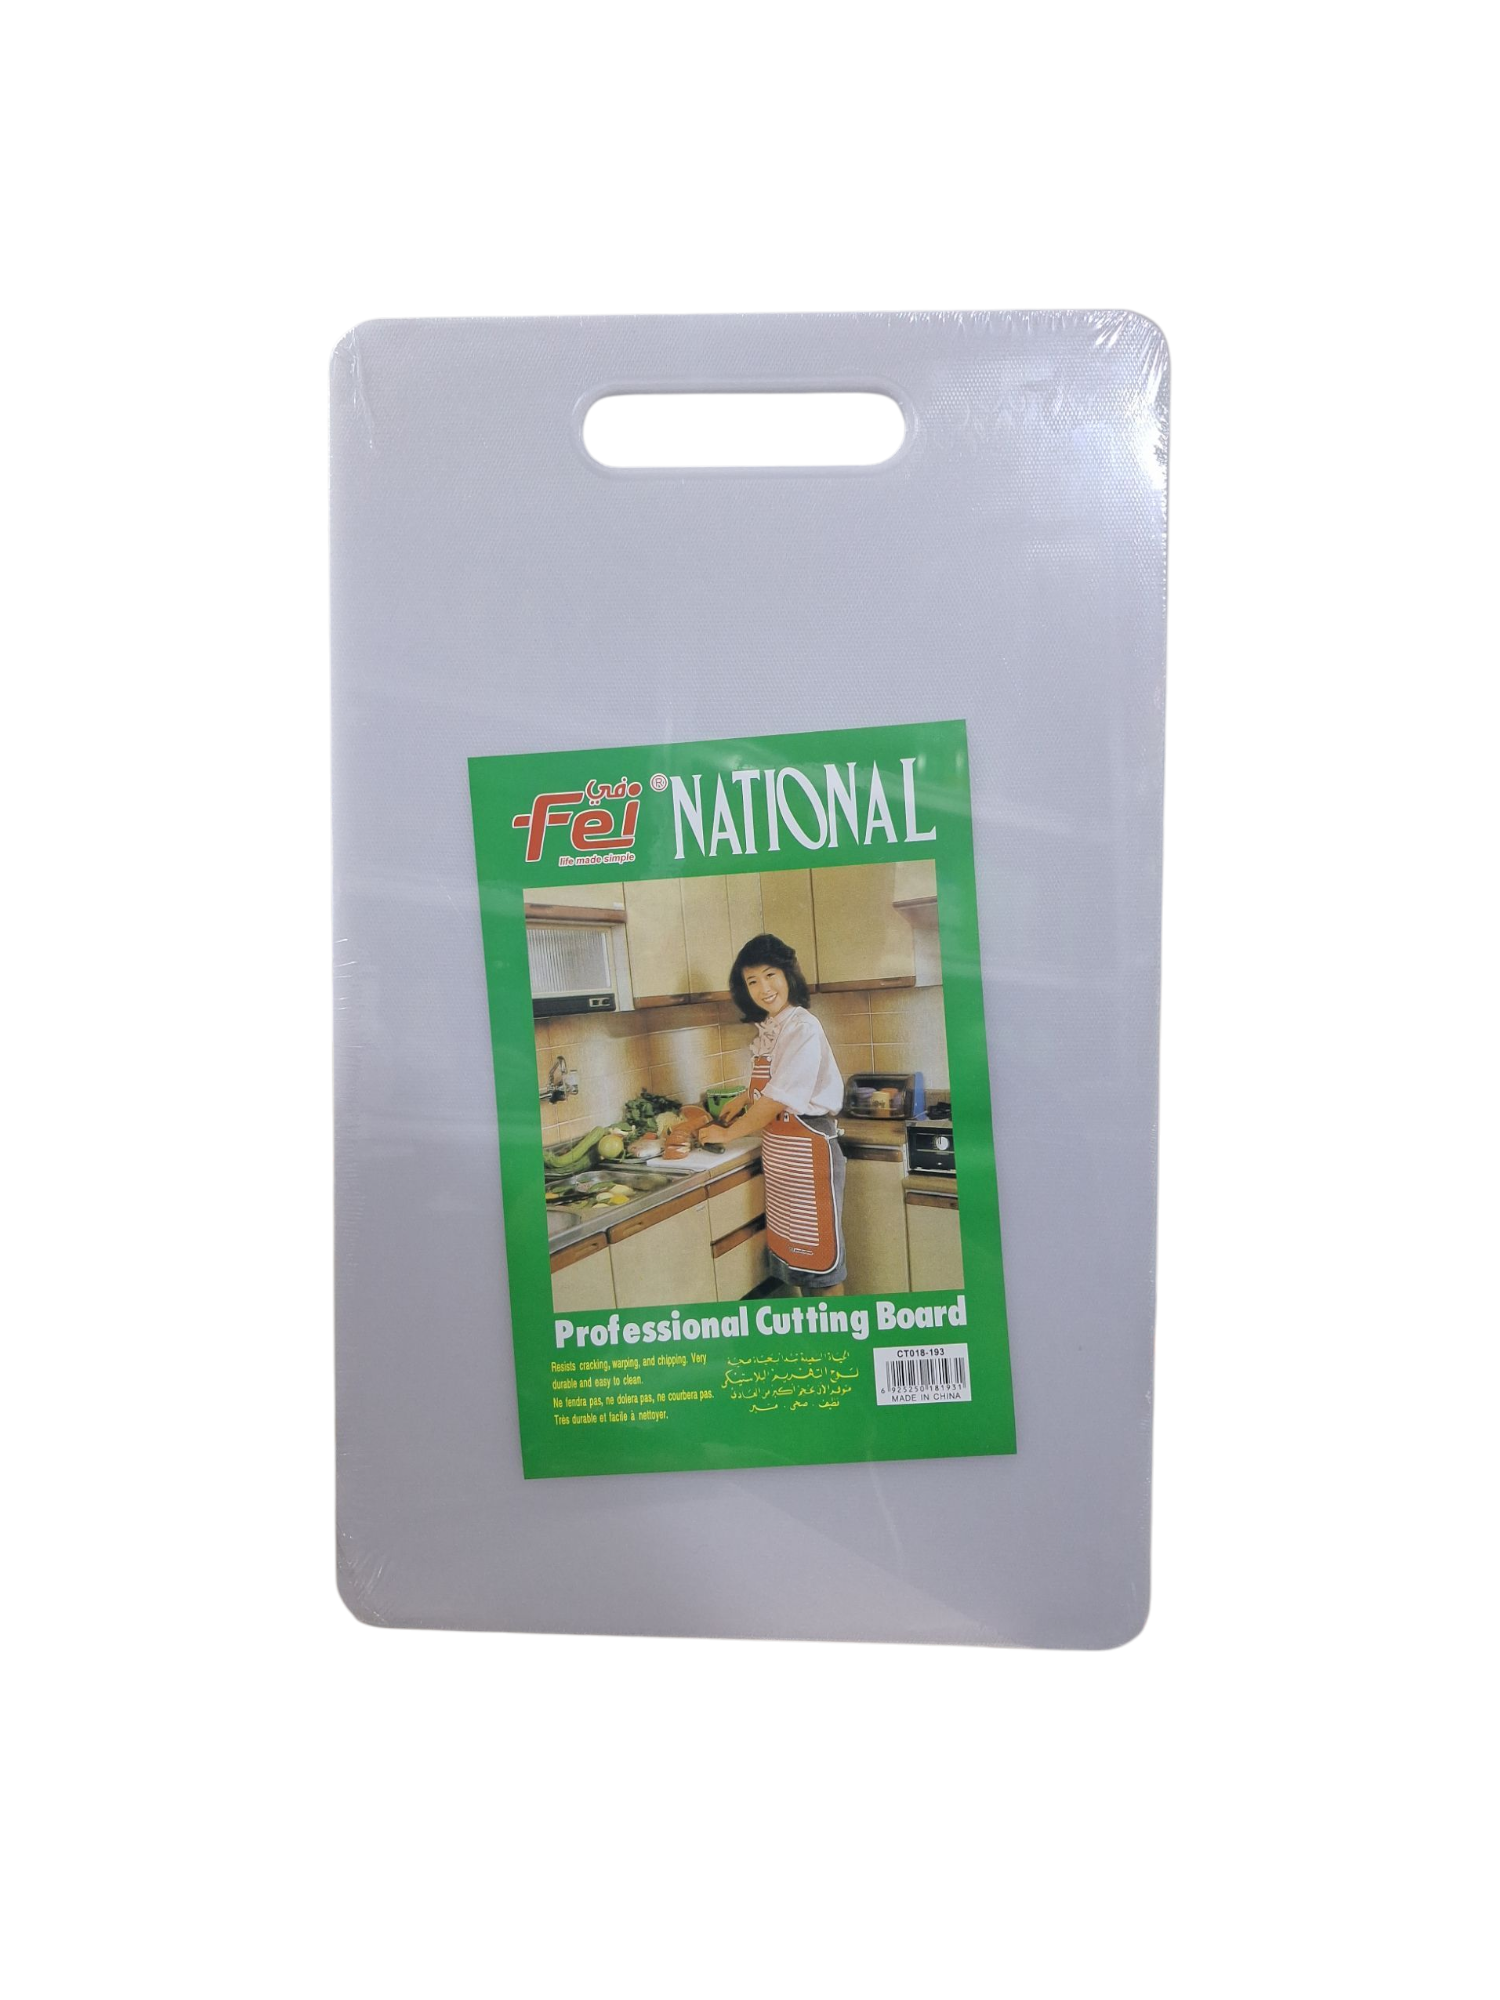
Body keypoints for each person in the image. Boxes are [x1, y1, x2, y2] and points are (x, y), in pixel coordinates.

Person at [698, 933, 847, 1296]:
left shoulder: (802, 1027)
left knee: (821, 1267)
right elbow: (773, 1083)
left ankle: (835, 1330)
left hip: (808, 1153)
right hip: (783, 1155)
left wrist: (728, 1133)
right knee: (796, 1264)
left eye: (770, 975)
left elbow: (778, 1098)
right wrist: (743, 1099)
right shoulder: (773, 1026)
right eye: (752, 981)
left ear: (787, 975)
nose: (763, 988)